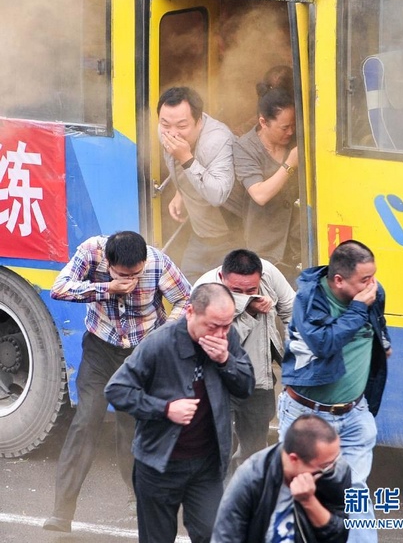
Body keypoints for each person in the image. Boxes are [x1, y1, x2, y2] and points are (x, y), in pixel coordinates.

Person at [43, 231, 191, 533]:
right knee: (86, 421)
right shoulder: (91, 252)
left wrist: (166, 333)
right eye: (124, 274)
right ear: (108, 263)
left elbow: (186, 299)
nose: (132, 280)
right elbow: (59, 288)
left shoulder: (157, 262)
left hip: (142, 352)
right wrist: (107, 288)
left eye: (136, 273)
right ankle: (62, 512)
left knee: (133, 425)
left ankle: (138, 501)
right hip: (100, 348)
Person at [104, 283, 255, 543]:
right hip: (159, 465)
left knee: (216, 536)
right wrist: (164, 409)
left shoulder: (227, 339)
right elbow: (116, 390)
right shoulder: (159, 344)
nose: (220, 334)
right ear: (190, 313)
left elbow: (246, 386)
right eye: (212, 326)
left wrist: (225, 361)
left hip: (206, 465)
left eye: (226, 326)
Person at [278, 240, 392, 543]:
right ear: (339, 280)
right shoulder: (309, 299)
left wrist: (385, 342)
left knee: (354, 489)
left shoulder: (373, 294)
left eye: (374, 276)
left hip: (354, 413)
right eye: (364, 280)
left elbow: (377, 324)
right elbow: (324, 343)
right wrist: (357, 309)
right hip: (307, 416)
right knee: (300, 489)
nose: (373, 285)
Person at [195, 248, 295, 466]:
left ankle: (246, 493)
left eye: (251, 289)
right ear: (222, 277)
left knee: (254, 447)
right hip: (217, 380)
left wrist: (294, 359)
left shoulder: (269, 273)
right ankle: (217, 497)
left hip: (257, 378)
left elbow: (293, 313)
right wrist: (248, 312)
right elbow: (213, 346)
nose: (246, 294)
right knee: (217, 446)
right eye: (236, 290)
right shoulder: (204, 290)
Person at [211, 414, 351, 543]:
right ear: (294, 459)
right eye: (326, 465)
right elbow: (226, 537)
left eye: (335, 460)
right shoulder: (252, 477)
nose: (333, 468)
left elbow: (340, 536)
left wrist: (309, 502)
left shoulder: (337, 472)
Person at [158, 86, 241, 283]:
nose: (173, 134)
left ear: (199, 121)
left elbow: (218, 195)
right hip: (199, 236)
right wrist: (181, 193)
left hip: (232, 239)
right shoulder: (165, 130)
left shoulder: (218, 140)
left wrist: (186, 158)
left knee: (228, 303)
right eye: (165, 124)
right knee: (188, 297)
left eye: (181, 126)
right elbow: (177, 169)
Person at [233, 87, 301, 285]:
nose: (291, 132)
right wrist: (290, 164)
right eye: (284, 127)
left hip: (299, 243)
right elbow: (260, 194)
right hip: (265, 247)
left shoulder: (296, 139)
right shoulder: (245, 147)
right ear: (263, 122)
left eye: (293, 126)